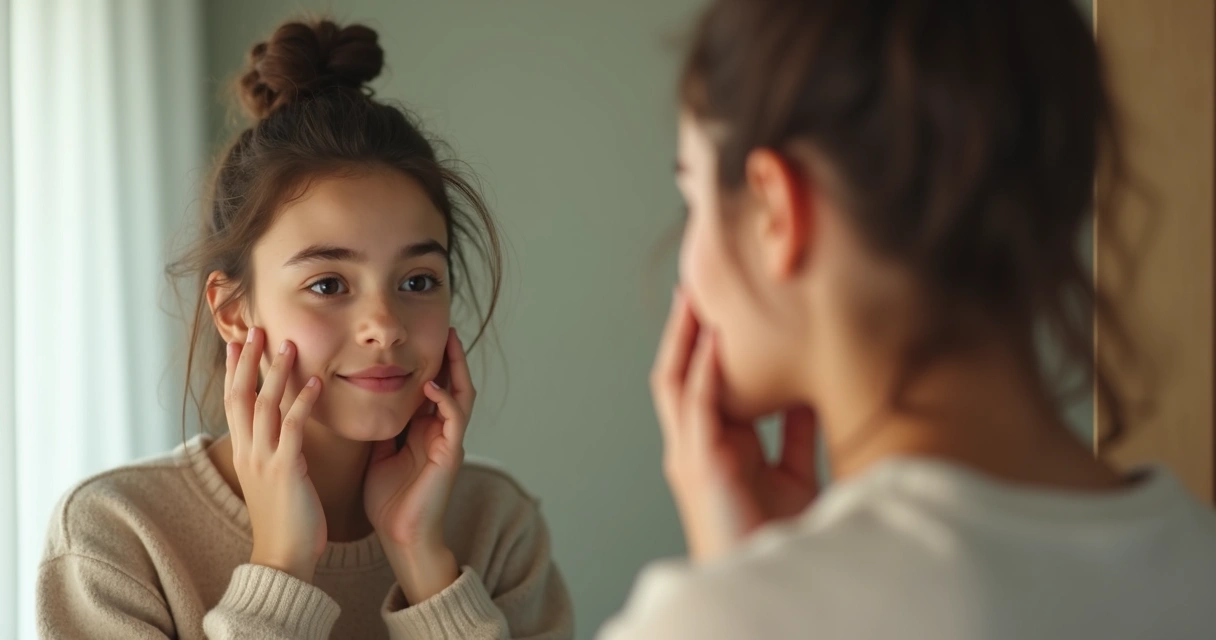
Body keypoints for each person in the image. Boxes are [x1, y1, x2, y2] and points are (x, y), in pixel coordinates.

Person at [600, 0, 1216, 638]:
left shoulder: (709, 623)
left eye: (690, 202)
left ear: (775, 211)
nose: (687, 265)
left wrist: (738, 592)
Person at [37, 18, 572, 640]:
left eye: (419, 280)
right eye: (328, 285)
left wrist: (425, 561)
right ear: (234, 310)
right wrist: (282, 568)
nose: (385, 326)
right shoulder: (116, 539)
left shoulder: (496, 525)